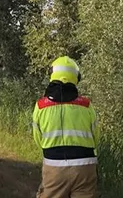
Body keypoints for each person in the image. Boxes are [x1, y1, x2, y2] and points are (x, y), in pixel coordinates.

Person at [32, 56, 101, 198]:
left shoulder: (40, 106)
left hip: (54, 166)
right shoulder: (87, 105)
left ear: (52, 75)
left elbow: (39, 139)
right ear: (76, 77)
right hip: (85, 166)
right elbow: (96, 137)